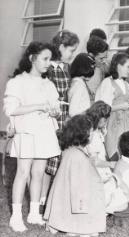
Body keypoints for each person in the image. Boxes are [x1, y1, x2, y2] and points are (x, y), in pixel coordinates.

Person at [4, 42, 61, 232]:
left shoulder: (49, 84)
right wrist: (38, 106)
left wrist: (54, 111)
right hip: (27, 132)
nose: (48, 63)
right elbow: (11, 109)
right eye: (45, 59)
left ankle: (34, 213)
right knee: (23, 172)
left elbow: (57, 109)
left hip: (44, 132)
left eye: (50, 59)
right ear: (32, 58)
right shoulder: (17, 82)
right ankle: (16, 216)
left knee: (38, 173)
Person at [44, 115, 106, 237]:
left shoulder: (70, 151)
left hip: (65, 202)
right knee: (90, 231)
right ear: (84, 134)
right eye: (91, 131)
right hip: (77, 205)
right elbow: (80, 189)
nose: (93, 133)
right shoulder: (78, 157)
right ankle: (76, 227)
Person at [42, 30, 79, 203]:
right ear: (61, 47)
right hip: (50, 120)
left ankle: (55, 199)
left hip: (65, 120)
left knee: (61, 159)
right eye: (71, 50)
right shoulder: (47, 68)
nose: (72, 55)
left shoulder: (67, 68)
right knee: (48, 161)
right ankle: (41, 199)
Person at [85, 101, 127, 214]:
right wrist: (111, 164)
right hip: (94, 172)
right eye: (104, 119)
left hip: (102, 169)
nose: (106, 122)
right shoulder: (91, 135)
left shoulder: (98, 131)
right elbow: (93, 161)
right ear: (96, 117)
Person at [95, 52, 129, 161]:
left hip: (126, 125)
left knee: (125, 156)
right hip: (112, 125)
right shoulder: (107, 83)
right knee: (113, 155)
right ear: (118, 66)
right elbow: (101, 107)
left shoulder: (127, 85)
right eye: (128, 66)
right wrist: (120, 106)